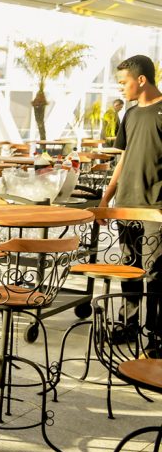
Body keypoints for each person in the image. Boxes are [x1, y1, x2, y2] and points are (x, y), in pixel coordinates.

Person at [99, 55, 162, 351]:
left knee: (156, 272)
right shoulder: (131, 114)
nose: (121, 88)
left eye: (124, 83)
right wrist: (106, 196)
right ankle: (128, 324)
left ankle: (156, 335)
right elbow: (124, 156)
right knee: (129, 267)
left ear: (141, 80)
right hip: (126, 202)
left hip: (156, 207)